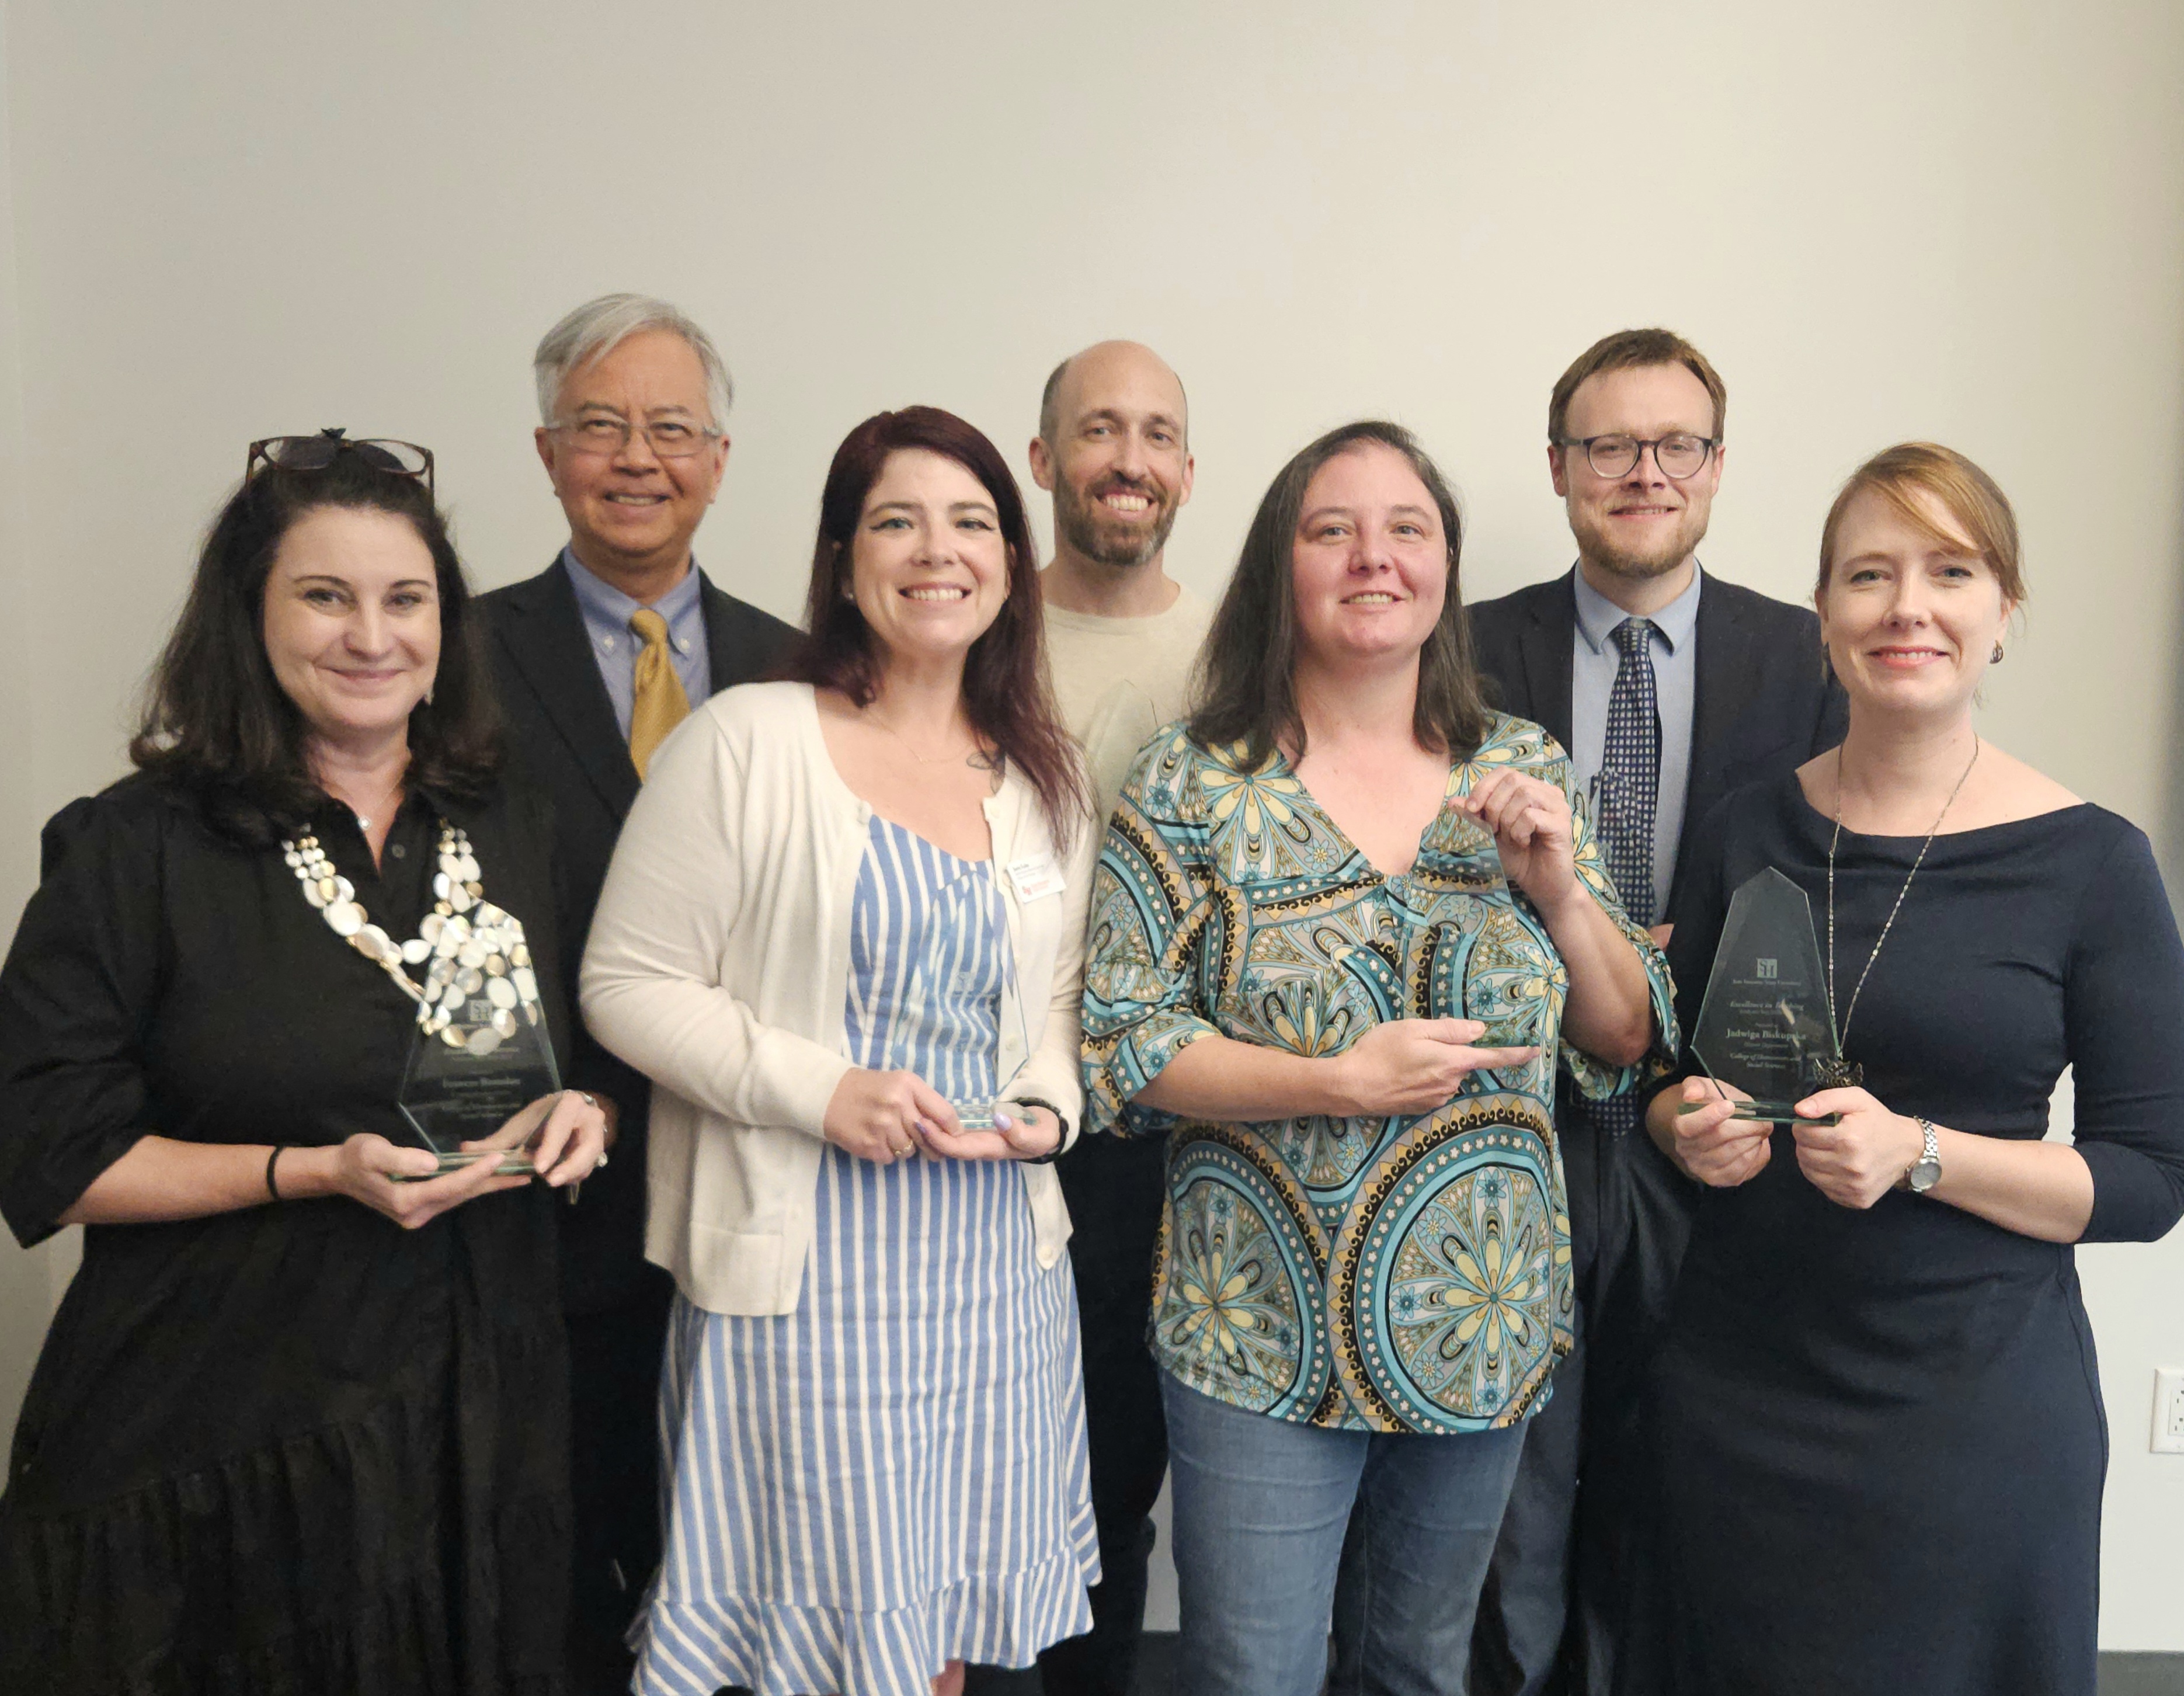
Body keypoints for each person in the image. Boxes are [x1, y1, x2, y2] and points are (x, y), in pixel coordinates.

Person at [0, 431, 607, 1695]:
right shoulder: (137, 848)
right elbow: (50, 1155)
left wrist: (585, 1113)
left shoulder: (514, 822)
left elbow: (594, 1052)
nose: (371, 637)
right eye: (326, 596)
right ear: (251, 615)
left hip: (477, 1425)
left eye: (406, 599)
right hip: (229, 1437)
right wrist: (312, 1170)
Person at [1080, 420, 1676, 1696]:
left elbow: (1623, 1034)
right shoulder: (1191, 780)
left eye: (1407, 528)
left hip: (1480, 1322)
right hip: (1258, 1329)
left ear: (1444, 568)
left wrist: (1560, 894)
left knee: (1418, 1669)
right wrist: (1332, 1082)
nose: (1374, 557)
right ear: (1279, 566)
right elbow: (1122, 1043)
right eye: (1331, 529)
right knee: (1253, 1674)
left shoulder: (1520, 766)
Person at [1647, 442, 2184, 1695]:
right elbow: (1670, 1079)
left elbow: (2153, 1180)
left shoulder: (2095, 865)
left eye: (1950, 571)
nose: (1907, 608)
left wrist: (1922, 1155)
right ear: (1823, 614)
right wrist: (1685, 1128)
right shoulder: (1743, 829)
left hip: (1972, 1422)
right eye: (1868, 574)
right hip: (1736, 1396)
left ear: (2004, 612)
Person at [583, 406, 1102, 1696]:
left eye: (971, 522)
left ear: (1010, 560)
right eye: (896, 522)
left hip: (995, 1273)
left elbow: (1057, 1001)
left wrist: (1048, 1107)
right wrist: (824, 1092)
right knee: (826, 1650)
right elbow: (625, 987)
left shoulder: (1043, 777)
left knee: (946, 1646)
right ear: (843, 558)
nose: (938, 550)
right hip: (808, 1277)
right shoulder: (747, 741)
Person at [1456, 328, 1846, 1696]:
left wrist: (1705, 952)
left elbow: (1842, 878)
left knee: (1683, 1475)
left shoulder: (1804, 657)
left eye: (1675, 443)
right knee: (1511, 1489)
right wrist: (1596, 947)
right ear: (1558, 465)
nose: (1643, 472)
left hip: (1724, 1129)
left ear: (1717, 465)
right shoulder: (1464, 650)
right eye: (1609, 445)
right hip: (1516, 1119)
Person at [478, 292, 796, 1691]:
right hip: (549, 1193)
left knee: (745, 1562)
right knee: (564, 1564)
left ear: (717, 460)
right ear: (548, 453)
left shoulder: (801, 666)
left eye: (670, 428)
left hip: (758, 1183)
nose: (636, 457)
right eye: (599, 425)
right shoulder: (456, 656)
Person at [1025, 338, 1212, 1696]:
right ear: (1044, 459)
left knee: (1114, 1497)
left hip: (1174, 1137)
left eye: (1154, 435)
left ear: (1188, 471)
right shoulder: (973, 628)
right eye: (1098, 430)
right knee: (995, 1488)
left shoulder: (1242, 652)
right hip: (998, 1129)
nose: (1126, 460)